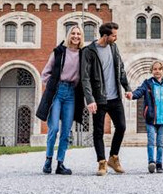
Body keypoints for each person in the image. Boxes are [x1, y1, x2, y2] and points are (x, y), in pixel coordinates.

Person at [80, 22, 131, 176]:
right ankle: (102, 163)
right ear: (105, 36)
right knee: (99, 131)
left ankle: (113, 158)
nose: (116, 38)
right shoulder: (89, 51)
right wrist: (90, 99)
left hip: (115, 97)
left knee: (121, 127)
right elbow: (85, 77)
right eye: (114, 35)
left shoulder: (114, 47)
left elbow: (120, 69)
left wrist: (127, 88)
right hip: (99, 98)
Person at [34, 25, 84, 175]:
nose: (76, 36)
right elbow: (45, 73)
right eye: (73, 33)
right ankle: (48, 160)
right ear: (69, 35)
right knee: (54, 128)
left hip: (71, 94)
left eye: (78, 34)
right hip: (57, 91)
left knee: (66, 131)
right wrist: (51, 87)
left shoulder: (83, 54)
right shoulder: (59, 52)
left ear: (81, 37)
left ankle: (60, 163)